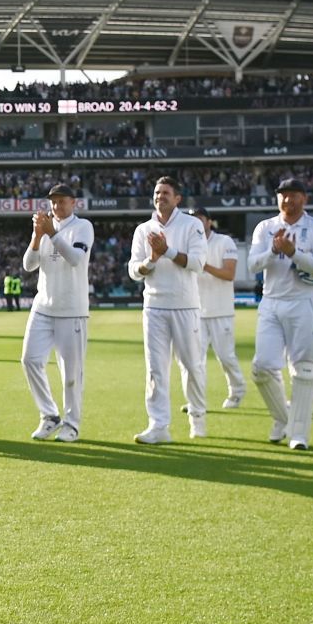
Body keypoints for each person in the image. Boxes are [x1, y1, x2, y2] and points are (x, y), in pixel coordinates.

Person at [247, 178, 313, 449]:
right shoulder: (266, 227)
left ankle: (299, 435)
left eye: (294, 195)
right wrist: (274, 250)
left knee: (304, 370)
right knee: (262, 368)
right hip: (271, 302)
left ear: (304, 199)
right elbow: (252, 265)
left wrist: (294, 253)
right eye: (283, 195)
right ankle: (283, 418)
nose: (288, 200)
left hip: (304, 302)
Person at [126, 176, 207, 444]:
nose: (160, 196)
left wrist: (168, 251)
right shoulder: (143, 229)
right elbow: (134, 271)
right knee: (156, 369)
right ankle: (158, 425)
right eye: (157, 192)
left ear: (178, 199)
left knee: (191, 366)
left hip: (185, 306)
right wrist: (152, 259)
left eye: (166, 193)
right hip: (154, 306)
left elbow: (196, 263)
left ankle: (197, 416)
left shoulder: (192, 225)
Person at [20, 182, 93, 443]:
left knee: (71, 374)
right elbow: (28, 265)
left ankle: (71, 424)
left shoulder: (82, 227)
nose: (56, 205)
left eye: (62, 201)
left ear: (74, 203)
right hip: (43, 307)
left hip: (72, 310)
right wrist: (37, 235)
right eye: (53, 201)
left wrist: (52, 234)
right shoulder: (46, 227)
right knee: (30, 360)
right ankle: (50, 415)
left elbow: (75, 259)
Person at [192, 206, 246, 410]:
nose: (197, 224)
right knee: (195, 361)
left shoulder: (224, 242)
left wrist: (204, 266)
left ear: (209, 221)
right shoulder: (189, 245)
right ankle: (196, 401)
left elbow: (229, 274)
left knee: (225, 356)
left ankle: (237, 390)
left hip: (221, 311)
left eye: (200, 219)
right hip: (196, 311)